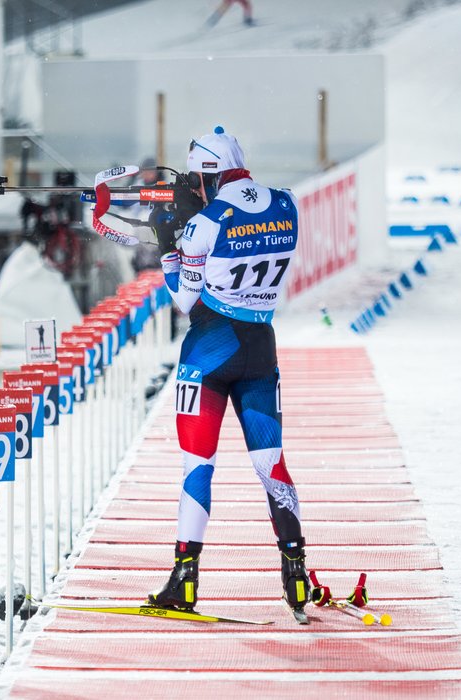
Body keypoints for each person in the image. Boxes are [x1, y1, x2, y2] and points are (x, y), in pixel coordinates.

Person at [147, 126, 310, 621]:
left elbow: (184, 300)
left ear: (208, 175)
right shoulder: (286, 204)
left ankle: (184, 580)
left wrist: (166, 242)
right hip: (261, 346)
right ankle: (297, 574)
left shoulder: (207, 221)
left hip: (210, 349)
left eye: (197, 179)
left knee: (197, 466)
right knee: (271, 464)